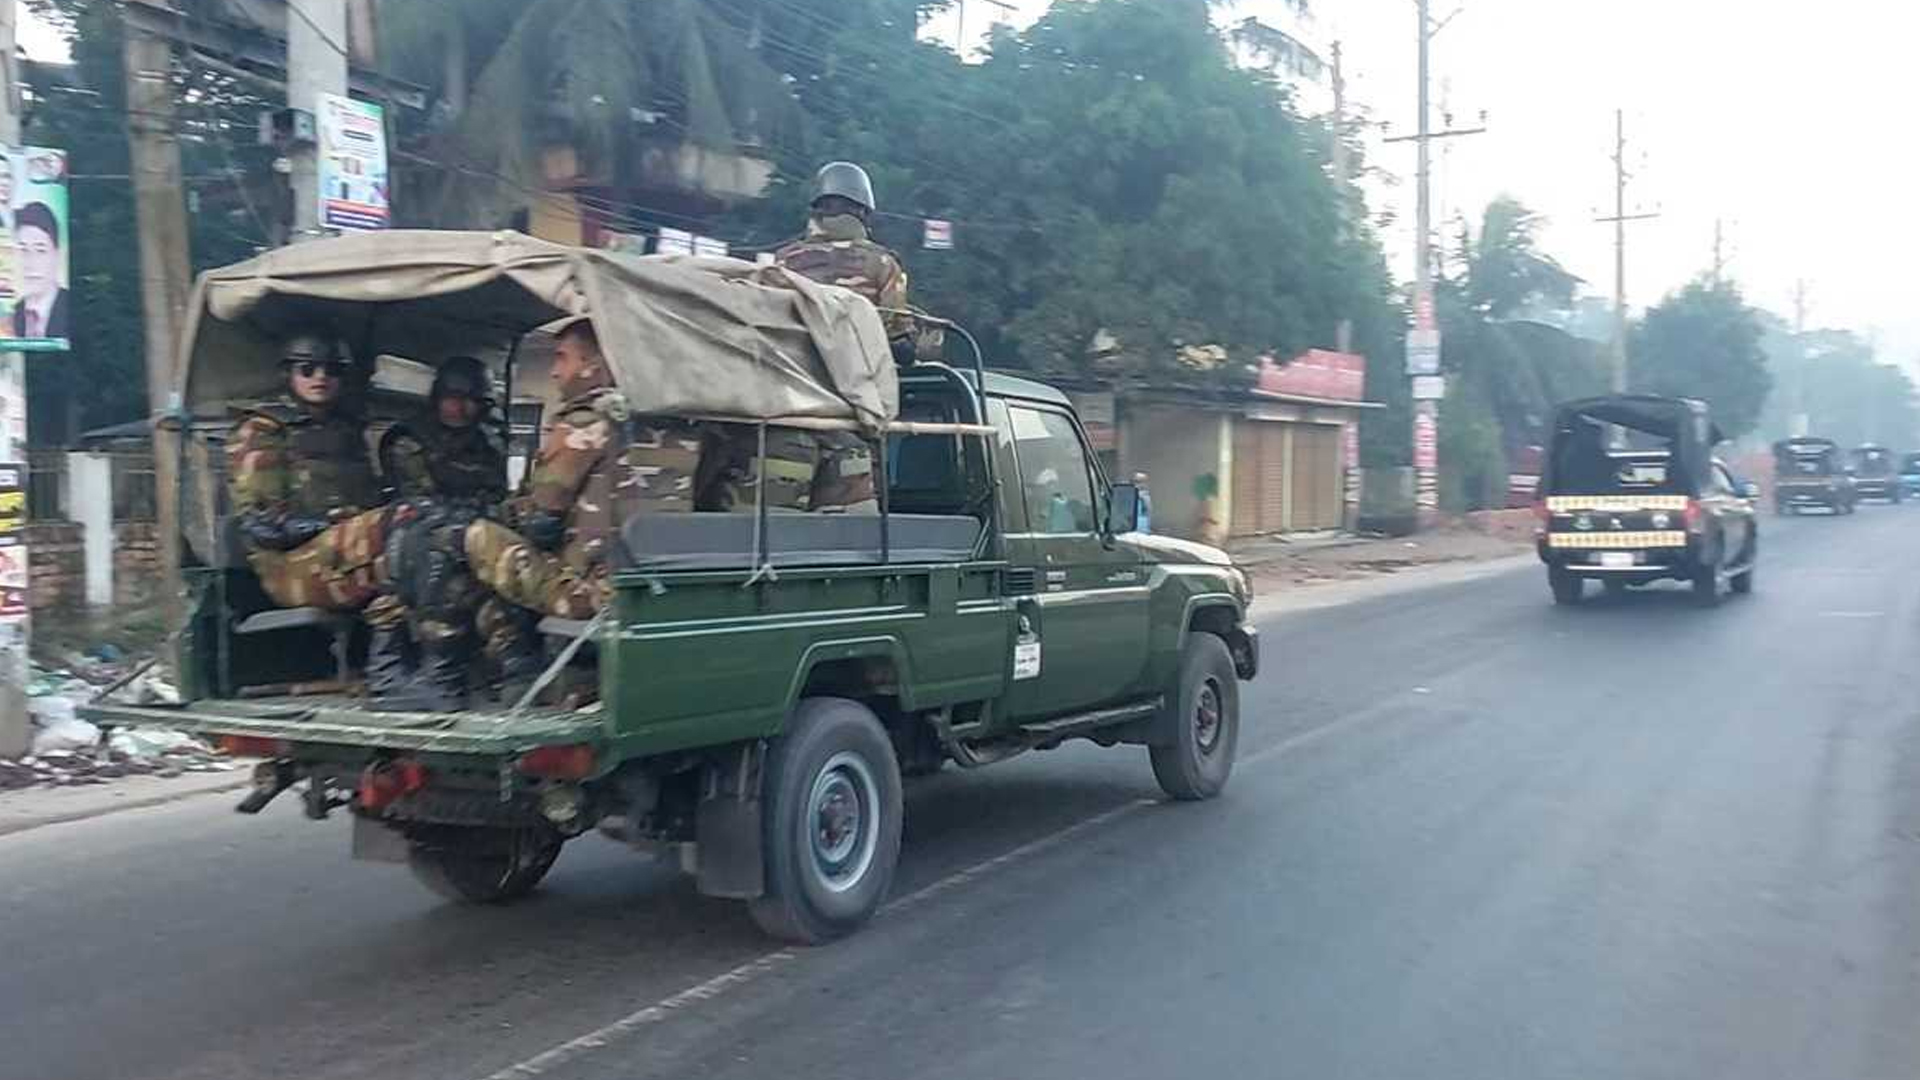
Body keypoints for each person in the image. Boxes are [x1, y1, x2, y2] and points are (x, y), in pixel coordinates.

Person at [363, 357, 522, 708]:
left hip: (473, 538)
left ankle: (508, 669)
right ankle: (407, 674)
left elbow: (498, 500)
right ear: (437, 397)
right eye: (453, 397)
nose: (461, 408)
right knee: (445, 568)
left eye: (472, 400)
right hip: (415, 542)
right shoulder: (409, 441)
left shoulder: (489, 444)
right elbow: (421, 506)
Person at [462, 318, 634, 623]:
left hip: (590, 593)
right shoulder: (644, 420)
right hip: (637, 585)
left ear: (592, 365)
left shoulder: (583, 423)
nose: (555, 372)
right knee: (494, 612)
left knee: (470, 537)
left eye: (562, 358)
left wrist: (490, 515)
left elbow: (539, 518)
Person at [769, 162, 909, 514]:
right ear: (862, 210)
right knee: (855, 539)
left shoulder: (781, 262)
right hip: (850, 424)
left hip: (781, 418)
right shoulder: (882, 264)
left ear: (817, 208)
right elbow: (900, 343)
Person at [226, 334, 394, 619]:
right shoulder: (263, 431)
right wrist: (330, 524)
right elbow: (264, 528)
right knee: (403, 526)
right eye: (307, 369)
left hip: (349, 557)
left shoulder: (349, 432)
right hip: (290, 569)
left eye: (333, 370)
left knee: (433, 562)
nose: (321, 377)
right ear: (287, 374)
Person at [11, 202, 69, 341]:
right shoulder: (10, 316)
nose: (30, 262)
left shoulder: (72, 307)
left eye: (40, 250)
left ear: (57, 255)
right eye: (23, 250)